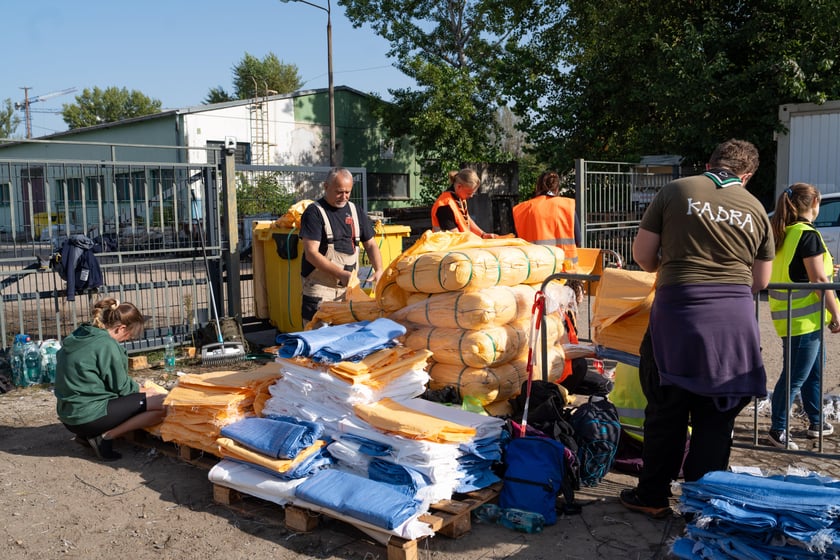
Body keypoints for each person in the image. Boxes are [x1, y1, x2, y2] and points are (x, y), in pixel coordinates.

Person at [619, 139, 775, 518]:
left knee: (666, 412)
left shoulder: (675, 191)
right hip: (733, 325)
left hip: (678, 317)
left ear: (709, 164)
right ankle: (701, 506)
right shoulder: (756, 208)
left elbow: (643, 257)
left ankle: (653, 497)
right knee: (716, 418)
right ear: (747, 175)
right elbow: (760, 280)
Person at [766, 183, 840, 450]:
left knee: (812, 373)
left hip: (795, 317)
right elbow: (818, 280)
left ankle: (816, 422)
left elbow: (801, 272)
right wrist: (836, 312)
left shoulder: (785, 232)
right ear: (815, 203)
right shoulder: (807, 234)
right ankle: (778, 429)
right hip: (803, 320)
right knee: (795, 376)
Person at [54, 298, 166, 461]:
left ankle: (86, 435)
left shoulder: (83, 334)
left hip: (68, 415)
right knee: (162, 404)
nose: (128, 338)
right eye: (130, 334)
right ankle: (104, 436)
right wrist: (147, 392)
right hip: (87, 417)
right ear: (121, 328)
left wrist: (141, 393)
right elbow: (122, 388)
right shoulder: (106, 344)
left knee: (145, 399)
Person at [299, 168, 384, 323]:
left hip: (349, 291)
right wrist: (341, 274)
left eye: (347, 192)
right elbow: (311, 254)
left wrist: (379, 269)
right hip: (320, 290)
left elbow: (371, 244)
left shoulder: (355, 211)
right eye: (339, 192)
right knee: (319, 335)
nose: (344, 197)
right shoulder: (314, 213)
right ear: (326, 187)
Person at [512, 170, 581, 272]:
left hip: (535, 271)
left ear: (538, 187)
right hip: (565, 270)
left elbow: (516, 242)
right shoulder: (567, 207)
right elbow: (578, 241)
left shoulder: (523, 209)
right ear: (557, 188)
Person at [430, 168, 497, 239]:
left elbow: (467, 220)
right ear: (459, 186)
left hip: (462, 242)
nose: (471, 196)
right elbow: (455, 237)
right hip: (448, 244)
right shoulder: (445, 205)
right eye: (469, 193)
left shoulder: (459, 198)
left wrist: (483, 235)